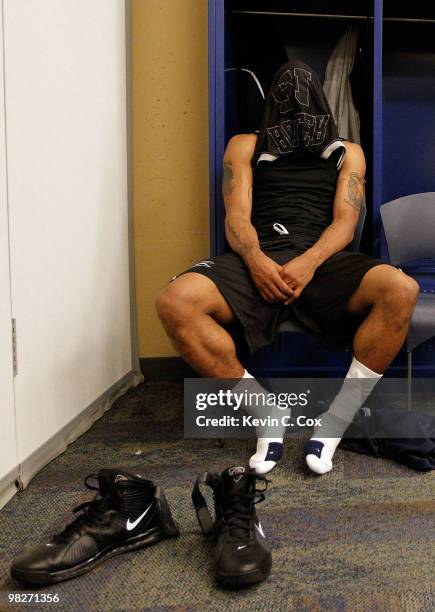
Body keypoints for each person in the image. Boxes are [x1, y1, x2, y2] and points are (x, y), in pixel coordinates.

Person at [156, 60, 419, 475]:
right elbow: (236, 216)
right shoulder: (244, 145)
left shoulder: (348, 151)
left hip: (323, 259)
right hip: (259, 255)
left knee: (402, 289)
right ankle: (266, 412)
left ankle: (335, 422)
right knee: (175, 301)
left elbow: (346, 223)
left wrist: (310, 262)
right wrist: (257, 260)